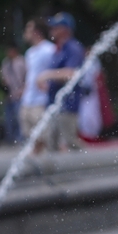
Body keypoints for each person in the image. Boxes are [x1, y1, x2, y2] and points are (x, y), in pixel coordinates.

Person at [35, 12, 86, 152]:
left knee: (71, 142)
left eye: (55, 27)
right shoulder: (58, 49)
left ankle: (91, 168)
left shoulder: (73, 48)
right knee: (51, 143)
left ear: (65, 29)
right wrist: (48, 85)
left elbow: (71, 73)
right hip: (54, 104)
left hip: (67, 105)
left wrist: (46, 75)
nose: (52, 30)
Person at [20, 19, 56, 151]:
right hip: (27, 100)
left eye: (28, 29)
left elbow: (55, 70)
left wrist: (49, 86)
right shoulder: (29, 53)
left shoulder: (49, 49)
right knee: (31, 138)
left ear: (36, 32)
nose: (26, 33)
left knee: (45, 138)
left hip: (41, 101)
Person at [0, 42, 26, 144]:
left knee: (20, 117)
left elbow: (27, 76)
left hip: (20, 93)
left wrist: (23, 90)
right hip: (9, 94)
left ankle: (20, 138)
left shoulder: (21, 62)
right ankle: (10, 139)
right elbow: (4, 78)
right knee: (8, 118)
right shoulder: (6, 63)